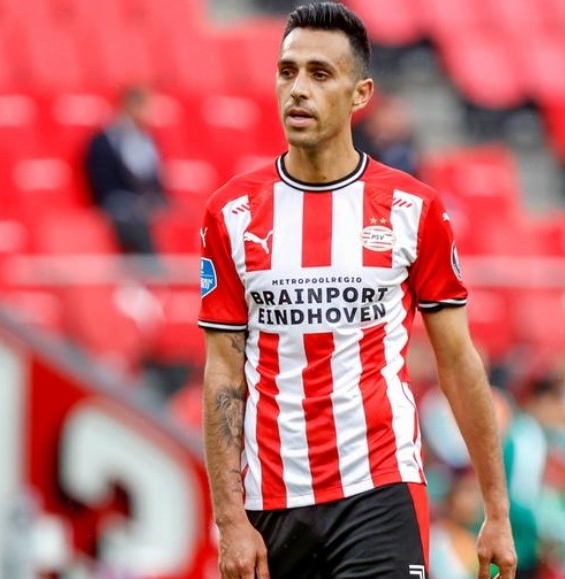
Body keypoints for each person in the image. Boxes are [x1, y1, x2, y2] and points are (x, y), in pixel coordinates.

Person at [197, 4, 517, 578]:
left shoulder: (413, 209)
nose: (298, 89)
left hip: (380, 489)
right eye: (288, 71)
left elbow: (457, 360)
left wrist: (497, 509)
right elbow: (224, 374)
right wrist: (229, 519)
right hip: (272, 500)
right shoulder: (232, 213)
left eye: (320, 74)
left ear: (360, 94)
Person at [85, 85, 167, 257]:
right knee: (133, 218)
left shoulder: (147, 140)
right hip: (120, 204)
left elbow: (155, 179)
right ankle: (152, 268)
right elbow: (103, 183)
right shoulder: (104, 141)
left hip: (147, 202)